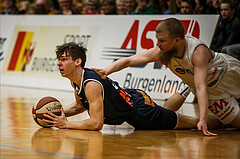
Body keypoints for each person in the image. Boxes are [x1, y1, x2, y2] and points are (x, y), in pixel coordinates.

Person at [97, 18, 240, 136]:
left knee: (197, 87)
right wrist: (106, 71)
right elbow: (129, 60)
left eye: (162, 41)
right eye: (157, 40)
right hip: (211, 91)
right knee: (236, 124)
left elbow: (200, 87)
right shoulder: (160, 52)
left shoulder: (198, 51)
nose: (157, 44)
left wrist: (202, 118)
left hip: (227, 74)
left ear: (177, 40)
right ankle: (222, 119)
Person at [43, 42, 222, 131]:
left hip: (141, 112)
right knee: (167, 113)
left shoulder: (90, 83)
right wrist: (59, 114)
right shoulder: (78, 80)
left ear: (77, 62)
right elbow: (80, 105)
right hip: (134, 100)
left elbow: (96, 123)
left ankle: (222, 122)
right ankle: (187, 88)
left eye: (63, 60)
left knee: (192, 124)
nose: (59, 64)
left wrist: (65, 124)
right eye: (58, 60)